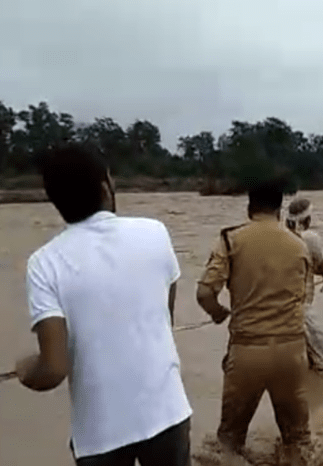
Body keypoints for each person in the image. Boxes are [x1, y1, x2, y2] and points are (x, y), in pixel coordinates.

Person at [15, 144, 192, 466]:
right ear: (105, 188)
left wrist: (26, 370)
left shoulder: (43, 263)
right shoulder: (155, 233)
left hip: (100, 435)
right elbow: (164, 318)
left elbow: (52, 369)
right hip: (168, 414)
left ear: (55, 200)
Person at [195, 179, 311, 464]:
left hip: (248, 351)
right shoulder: (299, 245)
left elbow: (205, 293)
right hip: (292, 351)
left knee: (229, 443)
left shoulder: (230, 240)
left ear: (249, 208)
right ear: (280, 210)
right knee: (297, 442)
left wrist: (217, 312)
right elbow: (303, 295)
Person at [285, 197, 323, 370]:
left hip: (281, 308)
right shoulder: (310, 238)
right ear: (308, 220)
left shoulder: (283, 236)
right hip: (302, 308)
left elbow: (309, 266)